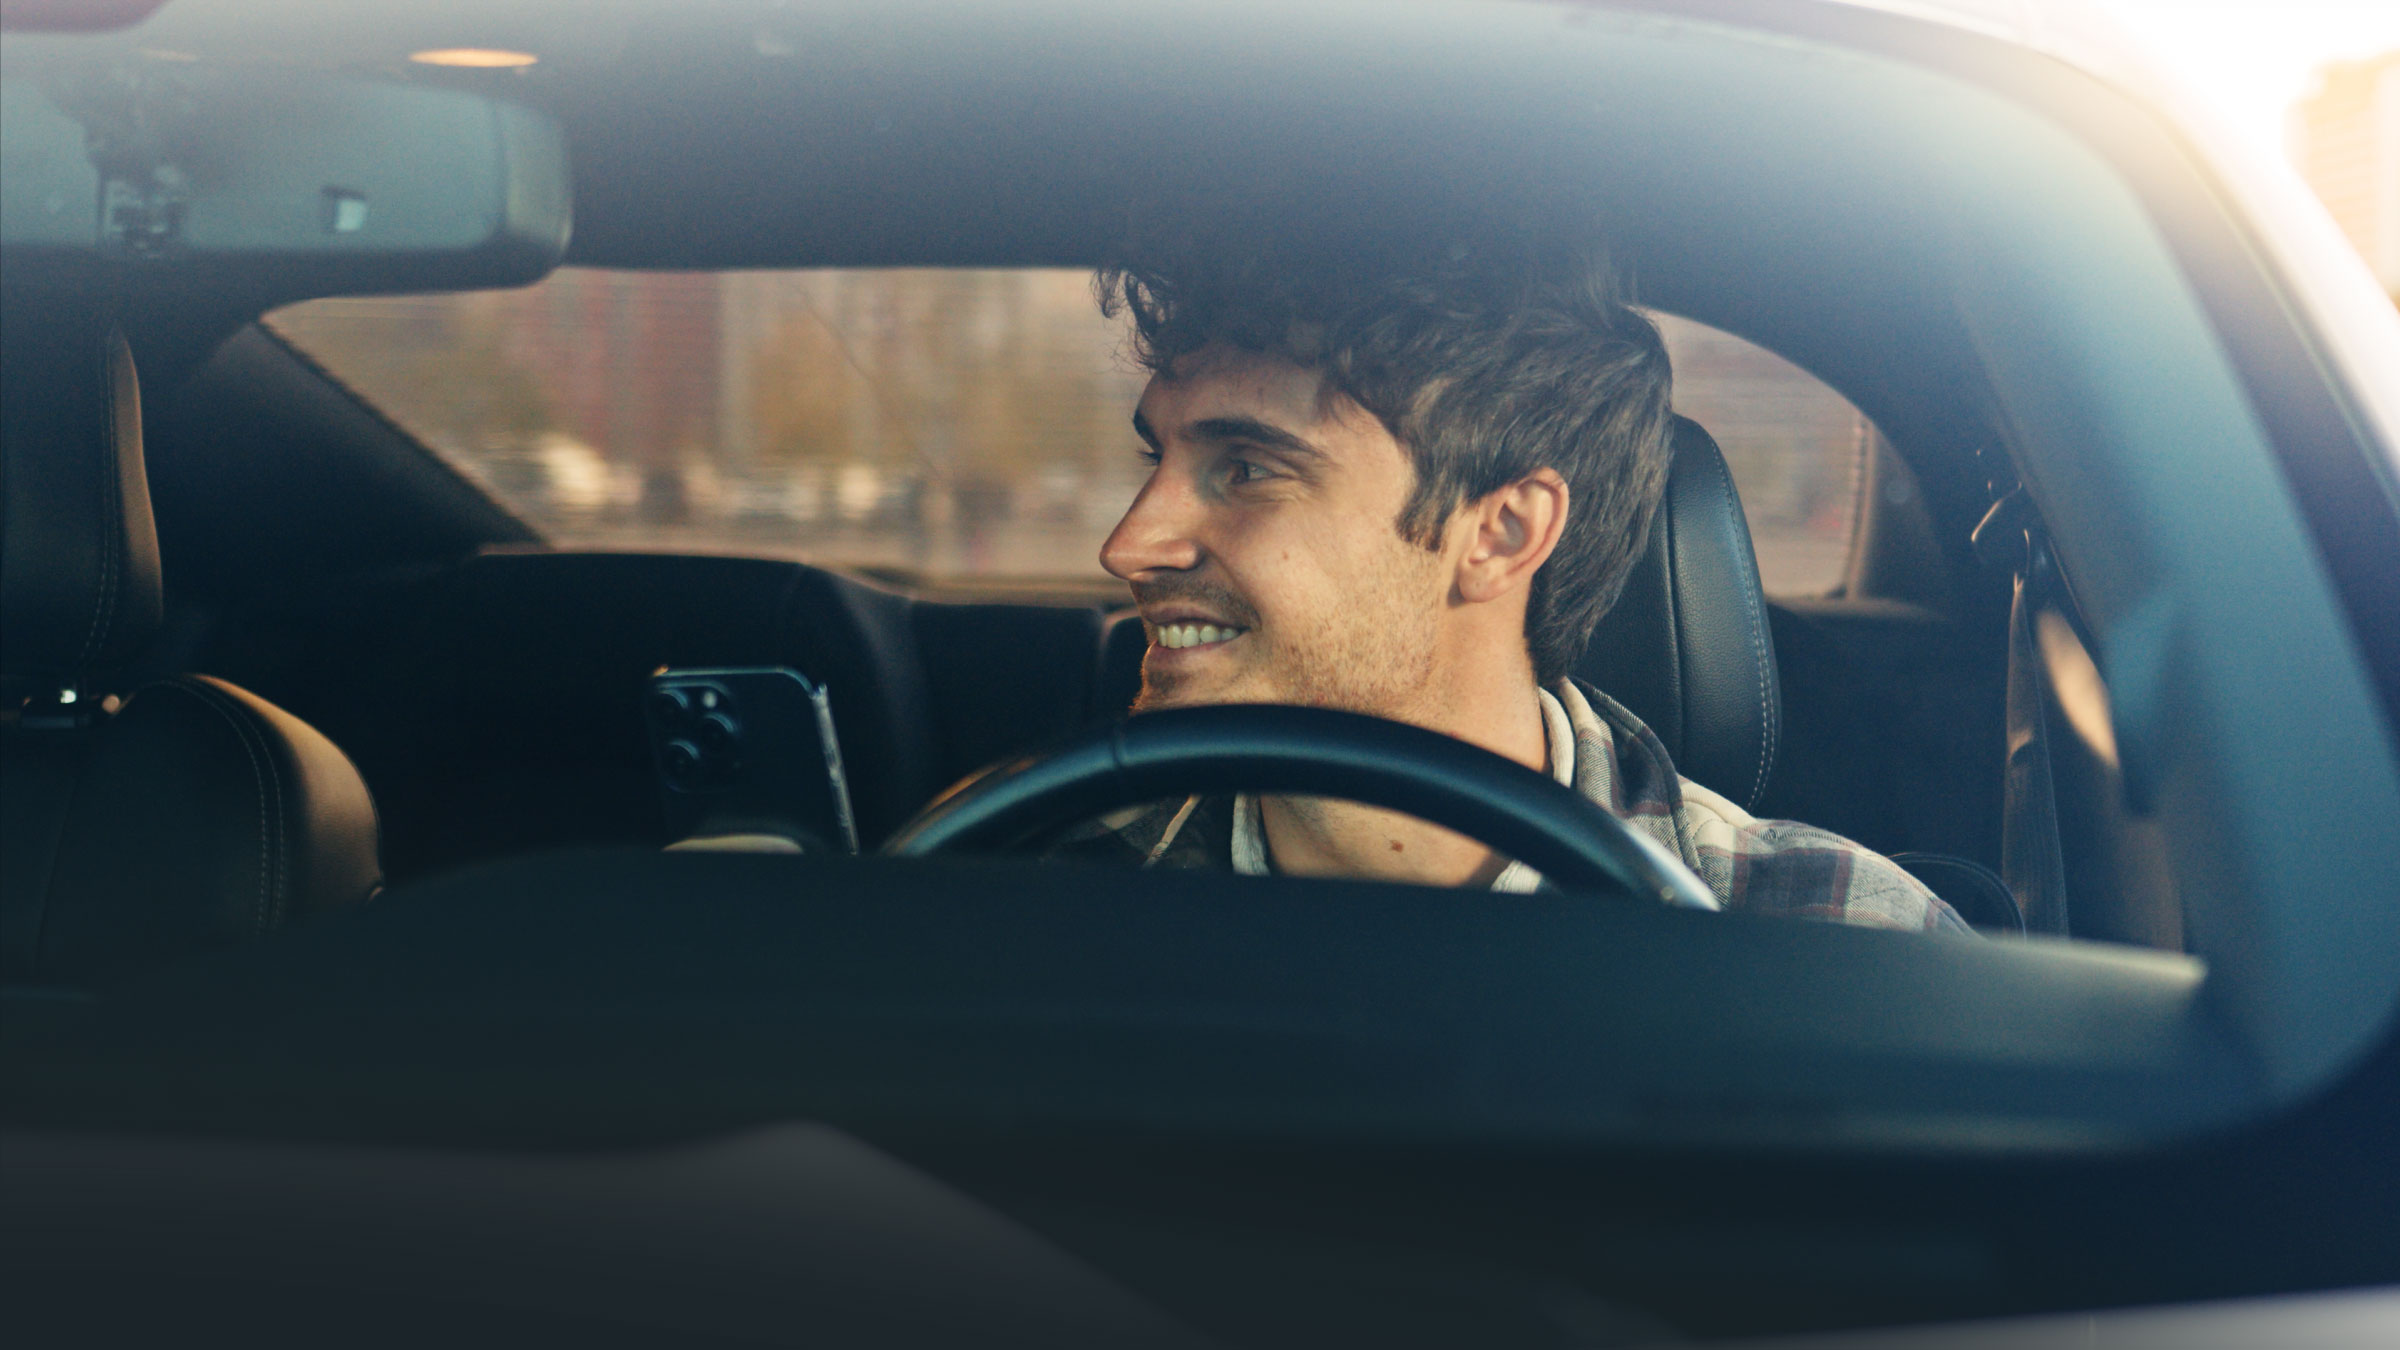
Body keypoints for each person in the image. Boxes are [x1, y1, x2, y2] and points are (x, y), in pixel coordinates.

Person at [1070, 228, 1969, 933]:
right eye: (1159, 457)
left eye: (1246, 470)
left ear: (1500, 533)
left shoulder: (1834, 945)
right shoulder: (1044, 897)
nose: (1130, 543)